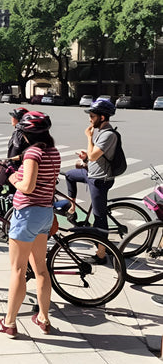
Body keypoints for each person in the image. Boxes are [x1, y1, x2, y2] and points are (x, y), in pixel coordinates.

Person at [0, 111, 61, 338]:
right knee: (41, 269)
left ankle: (9, 322)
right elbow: (48, 185)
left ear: (25, 135)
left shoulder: (33, 153)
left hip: (27, 215)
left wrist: (13, 178)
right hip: (44, 213)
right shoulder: (53, 152)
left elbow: (28, 186)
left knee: (18, 270)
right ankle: (43, 318)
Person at [64, 98, 117, 262]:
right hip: (91, 173)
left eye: (92, 116)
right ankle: (72, 208)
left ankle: (101, 255)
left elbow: (95, 155)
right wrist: (85, 159)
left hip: (100, 179)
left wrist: (88, 138)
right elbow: (95, 157)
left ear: (102, 117)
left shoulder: (108, 134)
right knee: (69, 175)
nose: (89, 119)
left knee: (99, 218)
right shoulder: (101, 132)